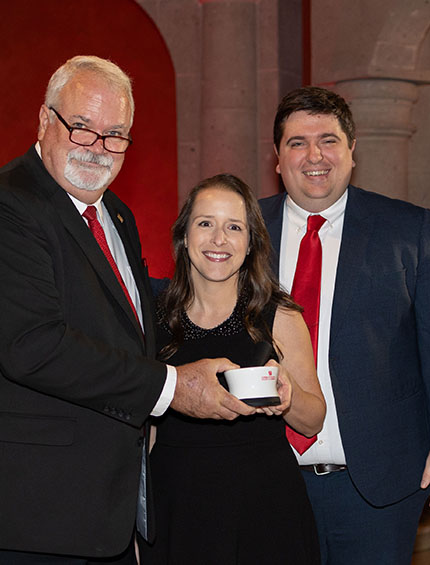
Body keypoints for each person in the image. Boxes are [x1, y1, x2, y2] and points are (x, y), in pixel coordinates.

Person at [0, 56, 255, 563]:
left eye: (115, 134)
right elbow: (33, 347)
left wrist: (252, 309)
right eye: (81, 128)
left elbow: (129, 316)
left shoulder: (116, 214)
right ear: (43, 120)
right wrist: (171, 387)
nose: (98, 148)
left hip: (96, 514)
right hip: (13, 515)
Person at [259, 86, 430, 564]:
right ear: (277, 158)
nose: (314, 155)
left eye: (328, 140)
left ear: (352, 151)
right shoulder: (244, 230)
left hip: (378, 481)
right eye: (297, 143)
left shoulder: (407, 229)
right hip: (268, 478)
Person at [140, 173, 325, 564]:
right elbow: (149, 430)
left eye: (234, 227)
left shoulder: (278, 315)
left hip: (264, 508)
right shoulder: (154, 318)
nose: (218, 239)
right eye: (205, 223)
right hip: (176, 502)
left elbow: (313, 420)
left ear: (250, 242)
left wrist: (289, 394)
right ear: (184, 236)